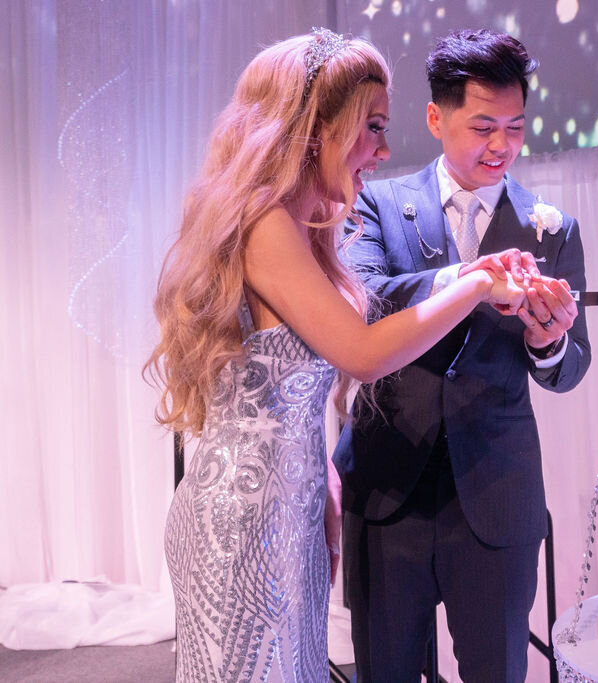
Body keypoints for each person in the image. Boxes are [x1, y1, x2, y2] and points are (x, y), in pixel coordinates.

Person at [145, 30, 532, 682]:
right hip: (241, 529)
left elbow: (280, 390)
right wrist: (476, 281)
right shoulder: (264, 222)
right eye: (371, 127)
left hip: (287, 516)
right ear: (317, 128)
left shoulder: (300, 226)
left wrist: (319, 479)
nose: (383, 149)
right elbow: (362, 353)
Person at [332, 29, 591, 682]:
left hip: (497, 494)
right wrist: (469, 278)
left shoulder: (551, 227)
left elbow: (572, 365)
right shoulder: (378, 202)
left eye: (515, 127)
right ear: (436, 119)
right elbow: (364, 301)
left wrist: (548, 339)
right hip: (389, 487)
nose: (501, 146)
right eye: (483, 126)